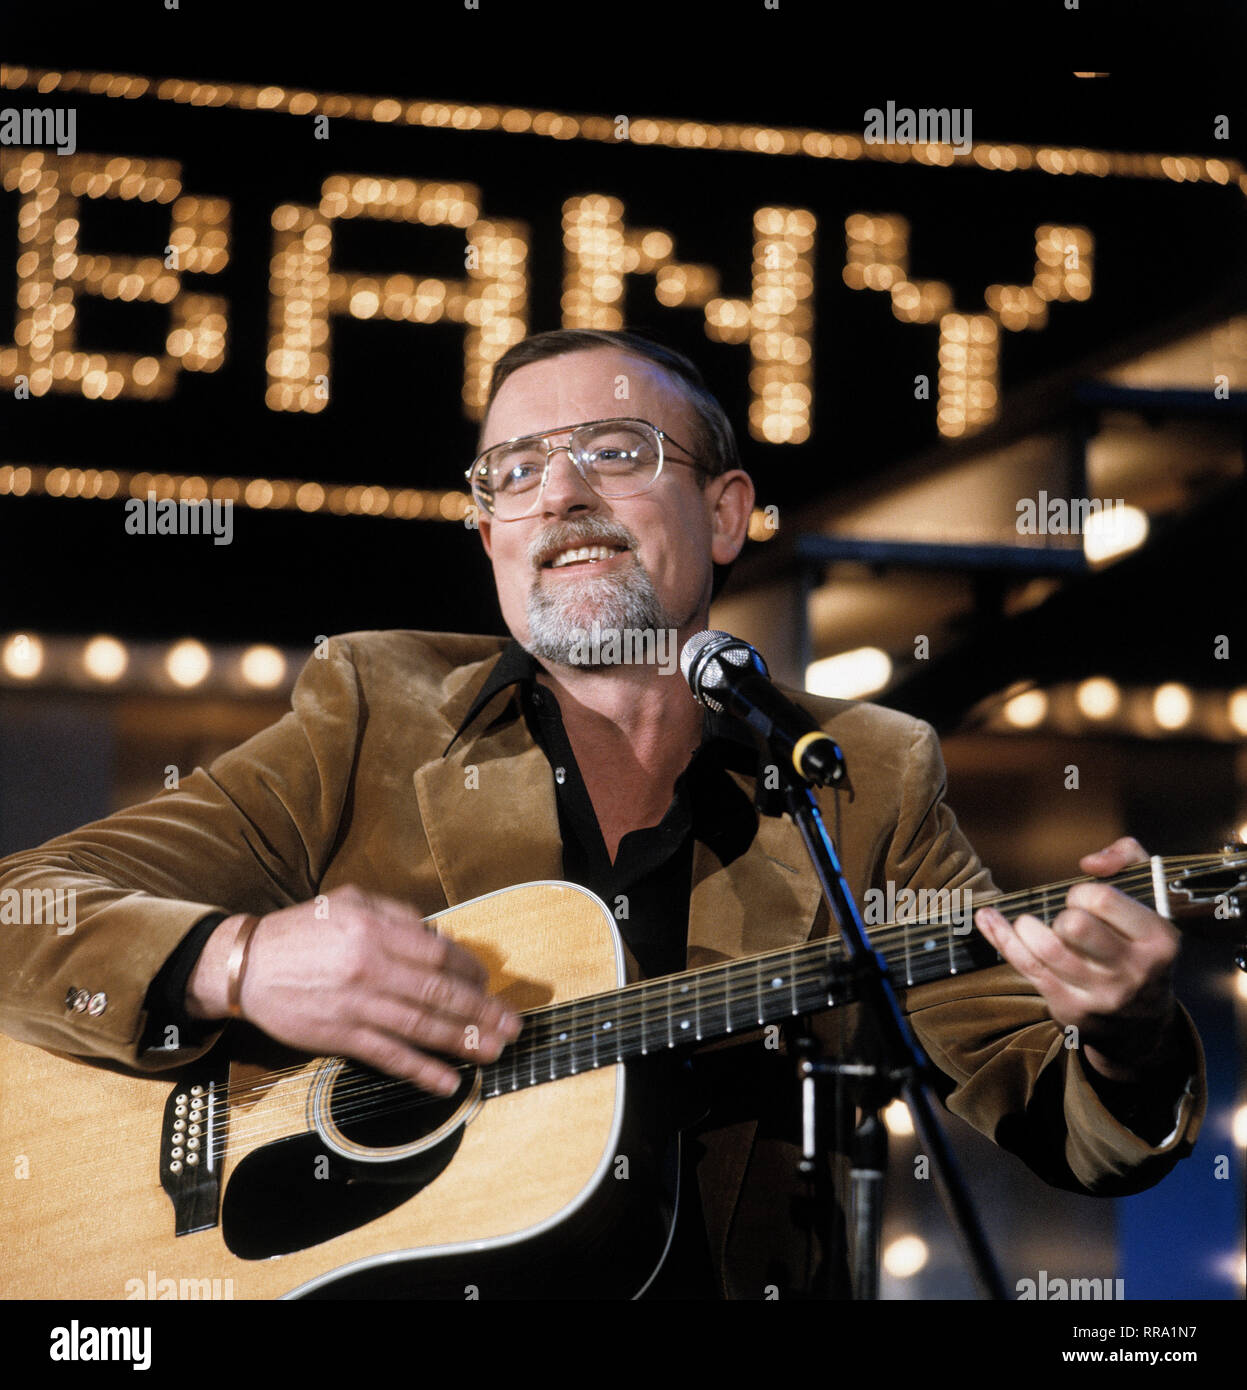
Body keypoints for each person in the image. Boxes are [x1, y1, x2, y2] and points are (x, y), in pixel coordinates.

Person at [0, 329, 1204, 1299]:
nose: (559, 493)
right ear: (487, 537)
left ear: (726, 514)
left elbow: (1057, 1123)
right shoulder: (375, 709)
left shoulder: (865, 770)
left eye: (616, 451)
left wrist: (1129, 1036)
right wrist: (239, 962)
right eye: (512, 472)